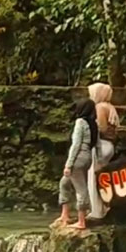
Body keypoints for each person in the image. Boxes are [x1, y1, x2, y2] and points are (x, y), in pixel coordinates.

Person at [55, 98, 98, 230]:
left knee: (81, 189)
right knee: (64, 183)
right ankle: (65, 215)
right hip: (87, 157)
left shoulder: (80, 122)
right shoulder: (93, 124)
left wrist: (68, 164)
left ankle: (81, 221)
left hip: (78, 157)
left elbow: (76, 145)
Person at [87, 82, 120, 219]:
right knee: (101, 177)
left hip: (101, 145)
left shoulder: (100, 107)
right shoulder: (110, 107)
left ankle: (96, 211)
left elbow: (101, 128)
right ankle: (103, 207)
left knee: (93, 178)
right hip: (109, 145)